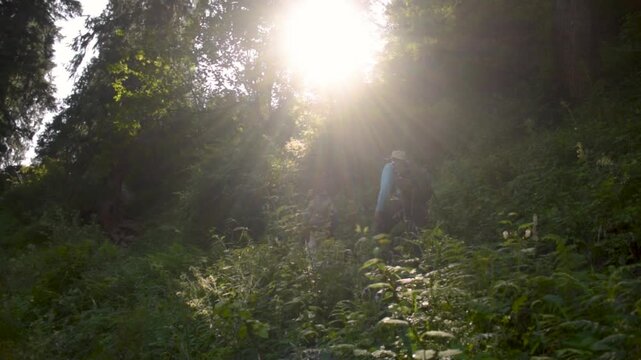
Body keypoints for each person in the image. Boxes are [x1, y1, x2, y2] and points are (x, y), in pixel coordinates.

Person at [374, 150, 431, 234]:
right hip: (420, 205)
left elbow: (384, 190)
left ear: (393, 159)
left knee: (380, 230)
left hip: (404, 205)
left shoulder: (389, 167)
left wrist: (379, 210)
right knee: (419, 231)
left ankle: (386, 244)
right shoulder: (413, 169)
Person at [305, 183, 336, 256]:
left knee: (321, 249)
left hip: (323, 228)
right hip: (315, 228)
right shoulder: (315, 200)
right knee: (313, 249)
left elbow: (333, 215)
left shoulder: (328, 201)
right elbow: (307, 214)